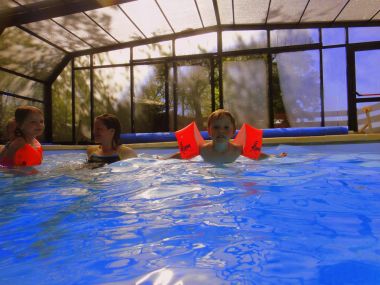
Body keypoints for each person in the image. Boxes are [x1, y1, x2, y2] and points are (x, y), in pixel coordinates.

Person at [169, 109, 287, 164]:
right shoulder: (202, 150)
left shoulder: (238, 150)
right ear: (209, 131)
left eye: (226, 128)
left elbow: (258, 156)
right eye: (216, 127)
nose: (221, 131)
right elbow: (182, 155)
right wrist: (165, 159)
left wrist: (275, 157)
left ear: (233, 131)